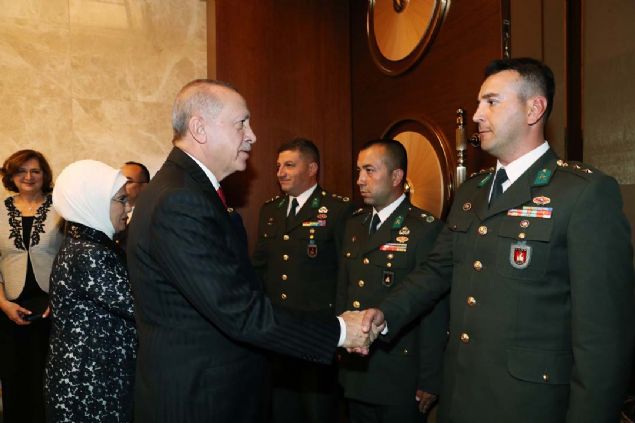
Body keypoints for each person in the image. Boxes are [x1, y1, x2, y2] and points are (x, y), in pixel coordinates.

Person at [359, 57, 635, 423]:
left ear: (534, 109)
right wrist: (385, 313)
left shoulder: (582, 193)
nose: (477, 115)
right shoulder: (472, 191)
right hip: (461, 398)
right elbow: (435, 271)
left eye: (491, 102)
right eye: (478, 103)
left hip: (529, 406)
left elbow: (603, 342)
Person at [126, 79, 376, 422]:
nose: (252, 135)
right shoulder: (179, 200)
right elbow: (238, 310)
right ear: (200, 128)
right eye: (241, 123)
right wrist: (342, 331)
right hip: (200, 399)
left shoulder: (187, 190)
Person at [337, 139, 448, 422]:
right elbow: (344, 292)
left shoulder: (424, 229)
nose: (360, 180)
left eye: (370, 170)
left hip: (400, 375)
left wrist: (430, 377)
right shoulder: (355, 224)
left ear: (396, 176)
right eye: (359, 171)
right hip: (356, 368)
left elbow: (434, 309)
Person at [252, 138, 353, 423]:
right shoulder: (270, 210)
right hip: (278, 332)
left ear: (311, 169)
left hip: (316, 333)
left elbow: (346, 273)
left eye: (289, 165)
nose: (280, 173)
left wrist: (341, 328)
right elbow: (260, 267)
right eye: (278, 166)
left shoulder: (337, 210)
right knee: (282, 412)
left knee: (318, 412)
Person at [45, 160, 136, 422]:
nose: (128, 208)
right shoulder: (90, 253)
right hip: (89, 383)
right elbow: (139, 305)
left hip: (94, 375)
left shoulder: (89, 243)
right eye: (121, 200)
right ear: (92, 201)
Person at [0, 150, 64, 423]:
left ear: (44, 175)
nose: (28, 176)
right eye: (21, 171)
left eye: (35, 171)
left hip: (51, 308)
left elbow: (69, 257)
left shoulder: (61, 208)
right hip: (8, 308)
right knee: (13, 376)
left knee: (48, 378)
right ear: (11, 176)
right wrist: (2, 303)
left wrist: (59, 300)